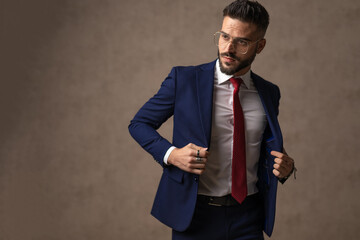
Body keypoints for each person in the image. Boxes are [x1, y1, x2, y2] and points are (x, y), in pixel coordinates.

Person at [128, 0, 296, 239]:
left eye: (242, 42)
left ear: (260, 46)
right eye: (225, 36)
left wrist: (285, 167)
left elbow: (259, 144)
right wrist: (171, 154)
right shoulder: (184, 80)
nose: (229, 48)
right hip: (195, 216)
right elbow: (138, 124)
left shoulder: (269, 92)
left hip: (248, 217)